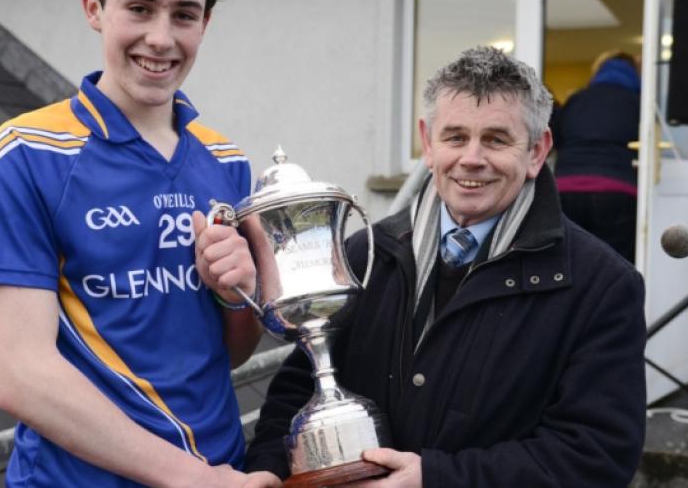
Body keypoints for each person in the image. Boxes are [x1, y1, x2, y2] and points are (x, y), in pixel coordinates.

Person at [245, 46, 646, 487]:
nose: (471, 158)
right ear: (428, 143)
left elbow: (596, 455)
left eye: (496, 139)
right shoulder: (364, 256)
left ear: (536, 151)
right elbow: (300, 387)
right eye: (455, 137)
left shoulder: (601, 286)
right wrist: (267, 468)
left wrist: (435, 478)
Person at [0, 0, 279, 486]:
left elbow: (231, 353)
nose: (161, 38)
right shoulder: (27, 152)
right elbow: (21, 375)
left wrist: (237, 295)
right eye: (139, 8)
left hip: (224, 470)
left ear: (205, 24)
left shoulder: (227, 161)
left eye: (183, 15)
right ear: (94, 7)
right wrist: (193, 479)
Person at [550, 50, 641, 263]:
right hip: (617, 190)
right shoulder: (638, 103)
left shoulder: (576, 99)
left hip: (567, 188)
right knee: (614, 265)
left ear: (598, 71)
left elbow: (556, 139)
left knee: (567, 261)